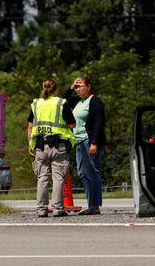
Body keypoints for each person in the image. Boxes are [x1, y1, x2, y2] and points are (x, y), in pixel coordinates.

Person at [27, 78, 76, 218]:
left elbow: (30, 126)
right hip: (59, 146)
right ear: (56, 90)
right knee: (58, 178)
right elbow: (72, 125)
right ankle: (57, 209)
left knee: (42, 178)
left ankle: (41, 209)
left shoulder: (36, 103)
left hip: (41, 146)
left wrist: (31, 144)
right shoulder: (61, 103)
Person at [63, 77, 106, 215]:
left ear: (89, 86)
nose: (78, 89)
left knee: (93, 172)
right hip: (79, 141)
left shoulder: (94, 102)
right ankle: (91, 204)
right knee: (82, 173)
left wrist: (94, 143)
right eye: (77, 87)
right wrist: (71, 87)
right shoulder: (79, 102)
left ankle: (94, 206)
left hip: (89, 141)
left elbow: (99, 124)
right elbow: (62, 102)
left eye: (81, 86)